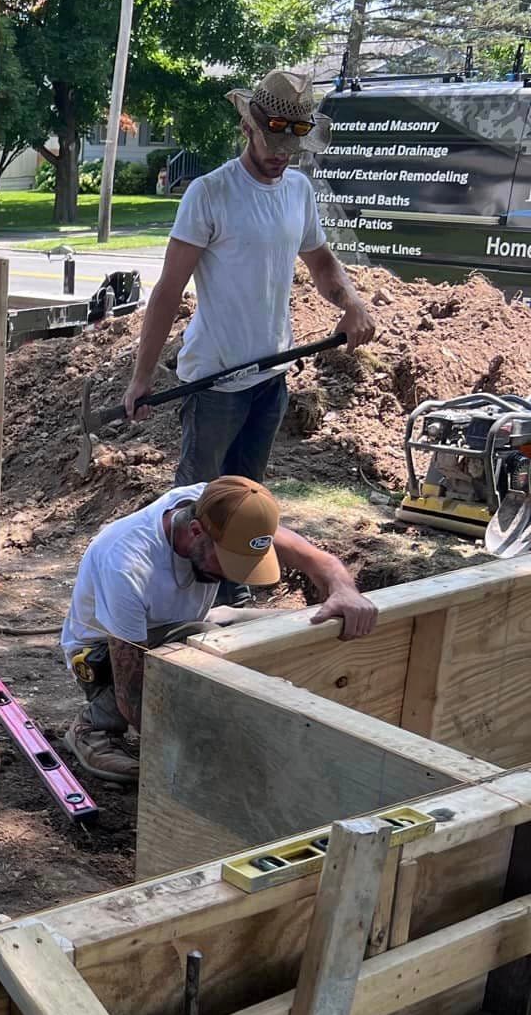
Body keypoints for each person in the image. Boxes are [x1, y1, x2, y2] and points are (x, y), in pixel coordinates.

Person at [123, 70, 378, 493]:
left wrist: (351, 303)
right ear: (247, 127)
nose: (281, 156)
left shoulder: (298, 191)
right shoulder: (210, 193)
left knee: (245, 504)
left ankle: (234, 562)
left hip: (271, 380)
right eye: (272, 142)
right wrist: (141, 376)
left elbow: (320, 260)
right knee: (198, 507)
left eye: (291, 149)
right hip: (214, 384)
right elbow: (169, 290)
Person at [61, 475, 377, 781]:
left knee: (281, 625)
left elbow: (313, 557)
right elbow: (131, 689)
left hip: (184, 629)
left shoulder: (222, 506)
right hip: (103, 657)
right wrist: (204, 748)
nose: (233, 576)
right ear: (196, 531)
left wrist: (343, 587)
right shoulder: (127, 564)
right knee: (201, 650)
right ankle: (96, 725)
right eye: (227, 562)